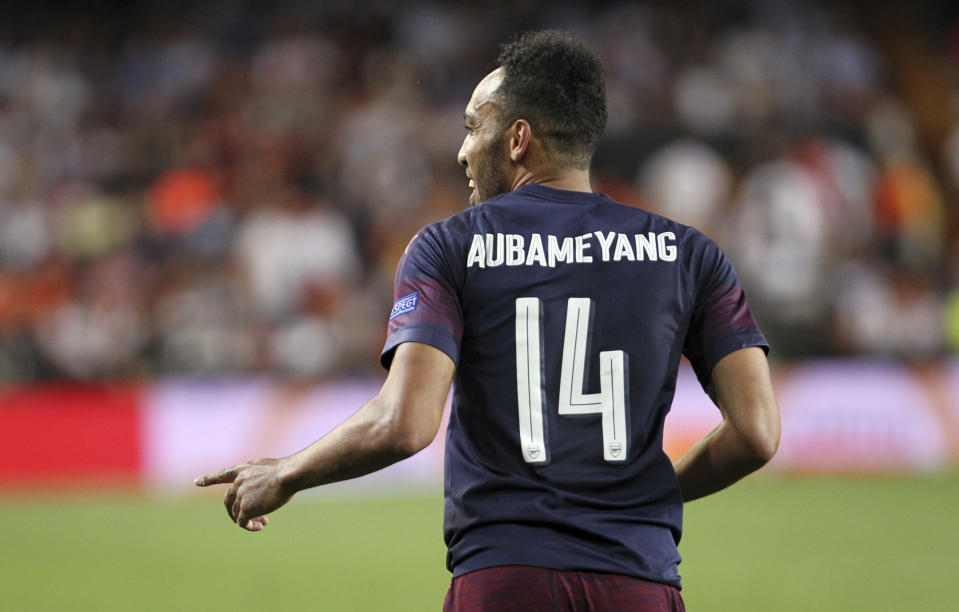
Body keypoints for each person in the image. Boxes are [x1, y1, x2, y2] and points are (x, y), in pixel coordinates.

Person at [196, 30, 780, 611]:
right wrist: (645, 498)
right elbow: (757, 434)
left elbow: (404, 422)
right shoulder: (689, 254)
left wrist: (285, 474)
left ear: (519, 139)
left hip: (505, 578)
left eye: (475, 126)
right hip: (639, 579)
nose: (462, 150)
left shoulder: (449, 247)